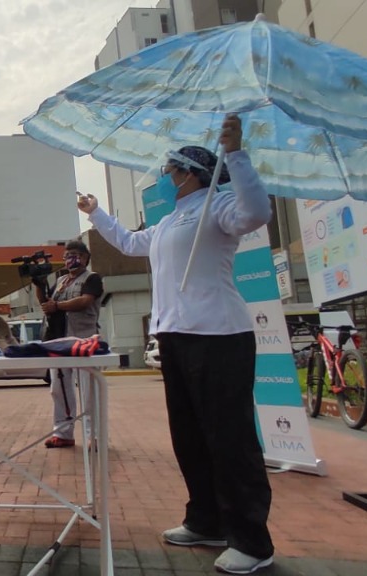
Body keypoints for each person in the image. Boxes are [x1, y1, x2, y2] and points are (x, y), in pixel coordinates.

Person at [81, 115, 275, 575]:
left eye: (170, 170)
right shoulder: (169, 221)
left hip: (219, 336)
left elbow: (256, 214)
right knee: (189, 438)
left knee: (230, 440)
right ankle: (206, 521)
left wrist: (236, 155)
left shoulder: (220, 204)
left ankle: (252, 542)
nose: (166, 176)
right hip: (175, 337)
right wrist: (96, 212)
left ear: (190, 173)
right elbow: (129, 243)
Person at [35, 240, 103, 449]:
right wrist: (38, 284)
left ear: (85, 257)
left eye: (74, 254)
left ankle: (95, 436)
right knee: (59, 389)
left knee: (89, 390)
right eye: (66, 256)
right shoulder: (61, 281)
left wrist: (57, 306)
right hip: (59, 341)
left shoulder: (92, 278)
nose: (70, 259)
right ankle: (63, 433)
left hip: (84, 340)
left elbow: (85, 301)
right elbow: (46, 303)